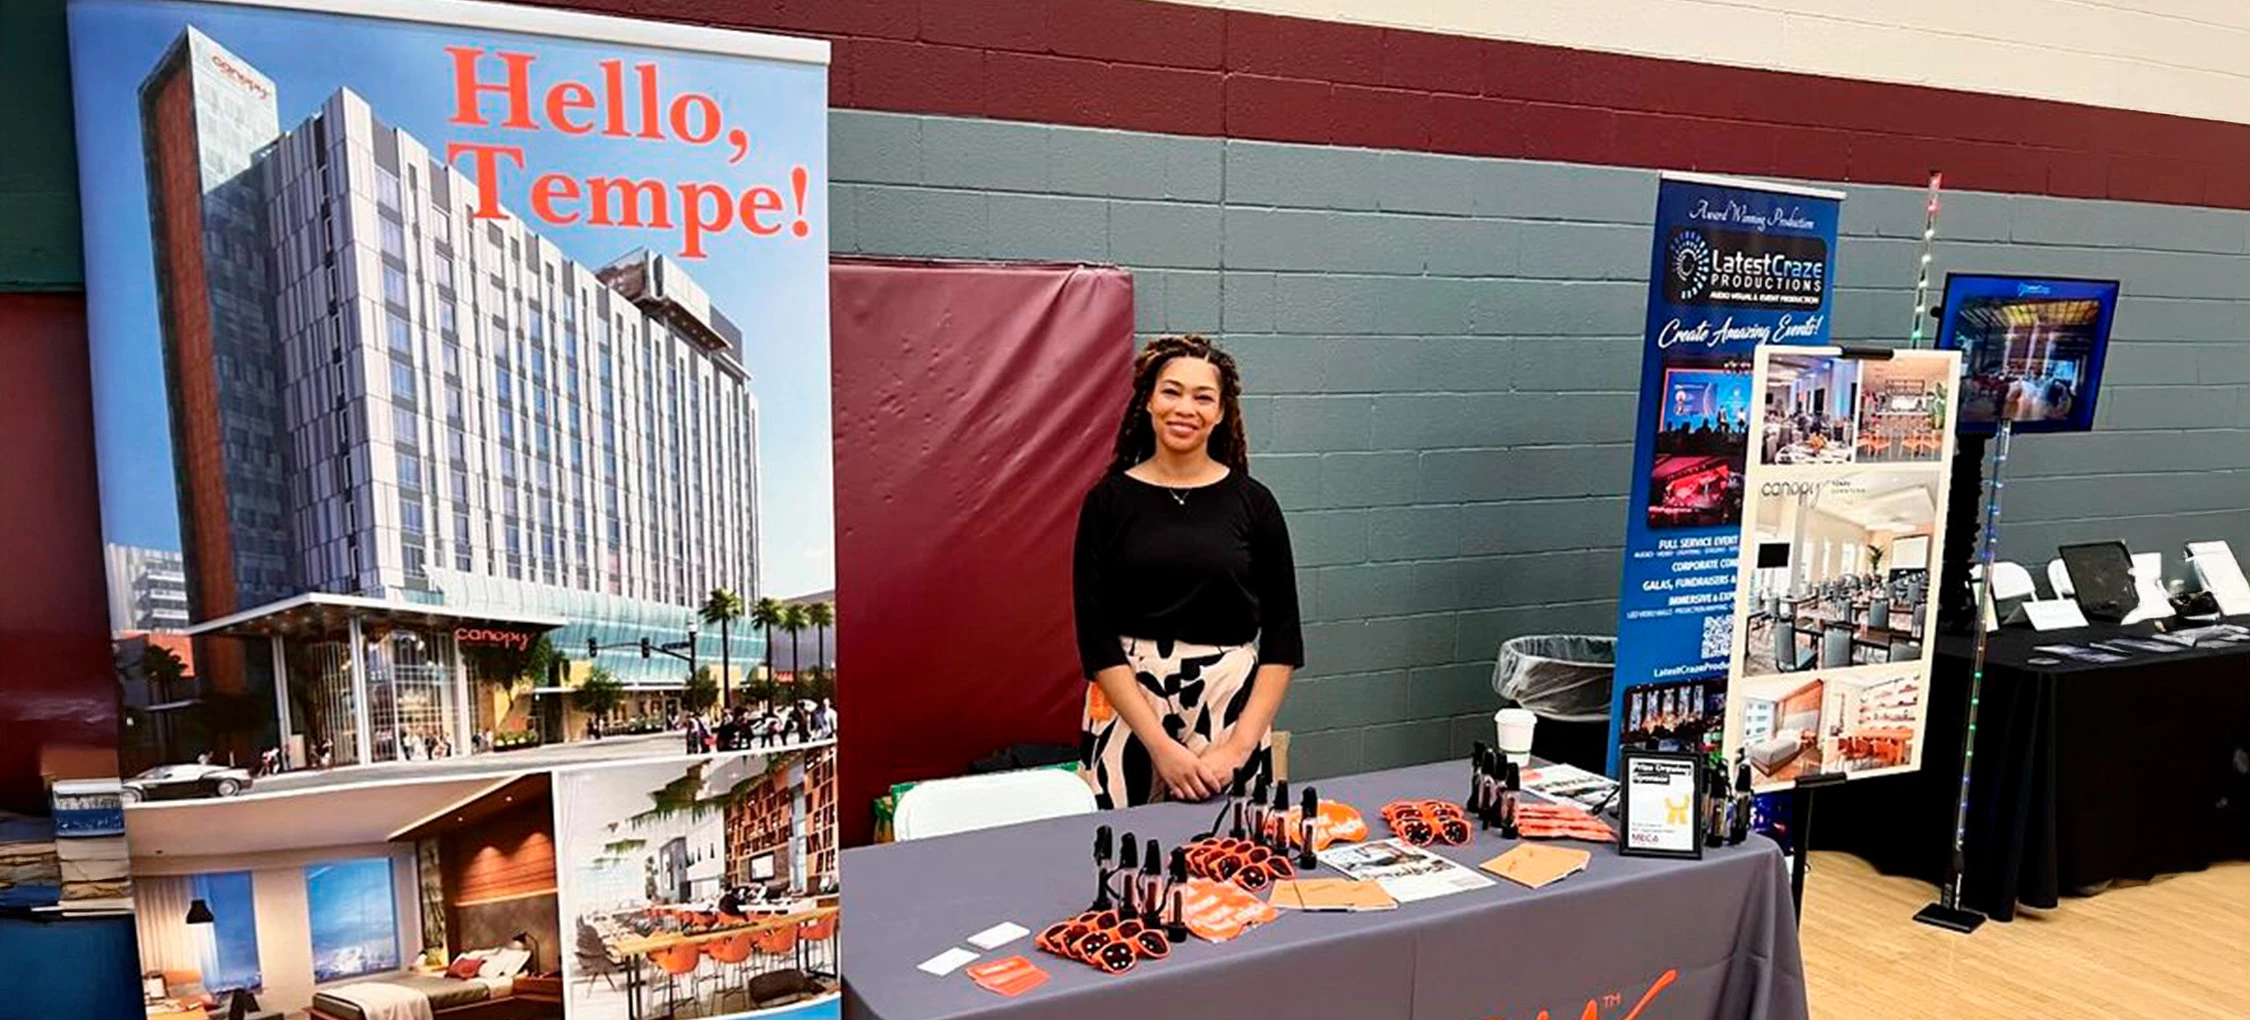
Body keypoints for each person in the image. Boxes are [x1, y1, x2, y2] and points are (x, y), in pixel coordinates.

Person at [1072, 335, 1303, 810]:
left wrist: (1239, 747)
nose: (1185, 408)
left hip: (1227, 703)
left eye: (1203, 397)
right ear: (1149, 401)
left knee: (1230, 847)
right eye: (1172, 391)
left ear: (1221, 413)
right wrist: (1158, 745)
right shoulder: (1107, 503)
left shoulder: (1253, 503)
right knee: (1125, 850)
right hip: (1129, 704)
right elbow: (1095, 639)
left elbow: (1283, 638)